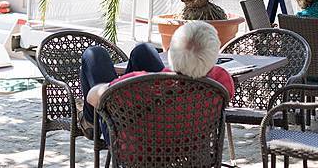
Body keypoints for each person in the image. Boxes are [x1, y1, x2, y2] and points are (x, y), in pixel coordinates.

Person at [79, 21, 234, 139]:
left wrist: (109, 85)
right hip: (188, 142)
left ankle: (89, 121)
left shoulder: (138, 85)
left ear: (170, 52)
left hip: (129, 142)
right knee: (143, 51)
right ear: (214, 57)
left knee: (94, 54)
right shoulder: (221, 80)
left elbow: (93, 98)